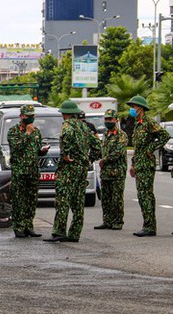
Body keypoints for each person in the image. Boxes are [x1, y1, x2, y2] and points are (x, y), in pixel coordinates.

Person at [45, 100, 100, 243]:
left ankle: (59, 232)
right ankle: (75, 233)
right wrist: (89, 159)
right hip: (81, 168)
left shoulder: (67, 126)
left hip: (69, 168)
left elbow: (65, 138)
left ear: (65, 114)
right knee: (78, 201)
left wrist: (66, 155)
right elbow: (97, 146)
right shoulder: (84, 127)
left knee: (63, 200)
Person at [127, 95, 170, 237]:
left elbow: (164, 136)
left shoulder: (148, 122)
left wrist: (151, 148)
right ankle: (148, 225)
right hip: (139, 164)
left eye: (133, 106)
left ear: (140, 108)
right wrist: (133, 164)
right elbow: (138, 148)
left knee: (146, 195)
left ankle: (150, 227)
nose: (132, 109)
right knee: (143, 195)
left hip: (147, 165)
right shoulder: (138, 124)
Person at [7, 104, 50, 238]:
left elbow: (35, 150)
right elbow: (16, 147)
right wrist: (27, 133)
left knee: (31, 200)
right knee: (19, 200)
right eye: (27, 116)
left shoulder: (36, 131)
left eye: (32, 116)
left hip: (33, 171)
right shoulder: (14, 131)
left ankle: (28, 226)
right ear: (21, 116)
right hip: (20, 172)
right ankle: (18, 227)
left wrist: (42, 151)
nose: (30, 118)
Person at [95, 109, 128, 230]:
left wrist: (105, 160)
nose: (108, 121)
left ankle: (118, 221)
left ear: (116, 120)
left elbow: (118, 152)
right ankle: (107, 220)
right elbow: (101, 151)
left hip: (117, 172)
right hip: (105, 173)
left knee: (117, 198)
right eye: (106, 119)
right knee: (106, 198)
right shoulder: (105, 135)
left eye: (110, 119)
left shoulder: (121, 135)